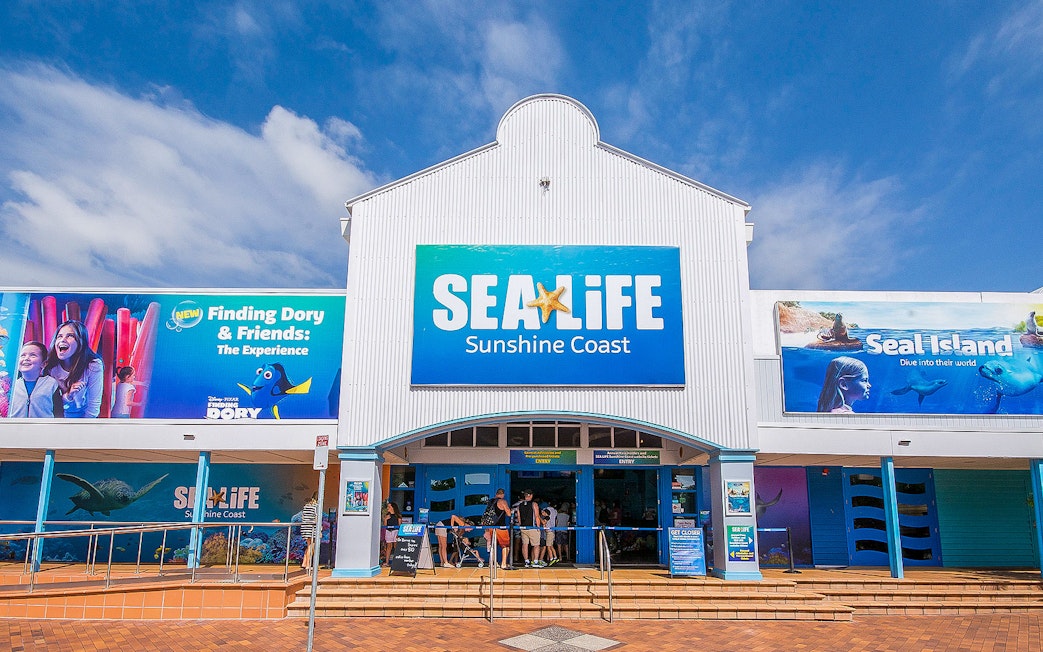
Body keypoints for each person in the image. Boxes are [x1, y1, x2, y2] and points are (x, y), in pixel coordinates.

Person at [43, 320, 104, 418]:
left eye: (70, 336)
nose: (63, 340)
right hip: (56, 418)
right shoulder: (50, 366)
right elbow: (47, 403)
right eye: (59, 336)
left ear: (80, 341)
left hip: (83, 421)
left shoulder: (93, 365)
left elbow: (93, 406)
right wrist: (68, 396)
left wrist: (84, 430)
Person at [7, 341, 63, 418]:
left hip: (43, 428)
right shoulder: (12, 385)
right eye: (23, 355)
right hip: (16, 428)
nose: (26, 358)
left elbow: (59, 412)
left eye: (32, 355)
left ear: (43, 364)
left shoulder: (51, 384)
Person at [482, 488, 511, 570]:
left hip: (490, 527)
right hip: (500, 527)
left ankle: (492, 563)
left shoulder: (490, 502)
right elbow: (508, 514)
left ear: (496, 494)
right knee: (505, 546)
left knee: (493, 546)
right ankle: (504, 563)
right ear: (503, 494)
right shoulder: (502, 501)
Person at [513, 489, 543, 568]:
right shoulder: (534, 504)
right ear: (530, 495)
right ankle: (535, 561)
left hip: (523, 528)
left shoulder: (520, 505)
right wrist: (538, 527)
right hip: (532, 527)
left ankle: (526, 561)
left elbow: (519, 517)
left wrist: (521, 526)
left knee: (525, 545)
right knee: (536, 545)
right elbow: (537, 516)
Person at [300, 492, 319, 571]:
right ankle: (308, 565)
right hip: (312, 528)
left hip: (305, 528)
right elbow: (316, 518)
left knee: (308, 545)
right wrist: (319, 529)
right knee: (311, 546)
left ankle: (304, 563)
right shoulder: (316, 507)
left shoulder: (306, 506)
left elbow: (303, 516)